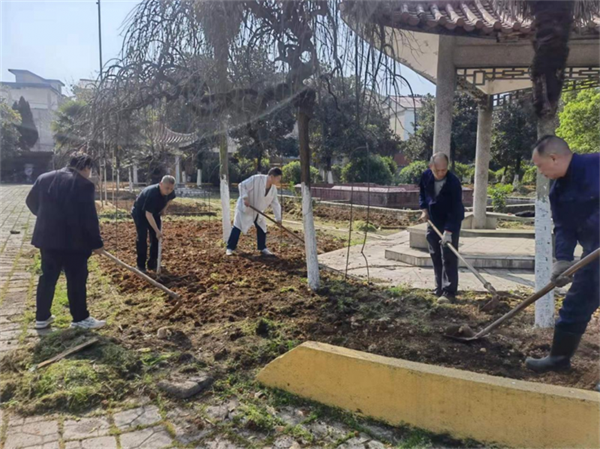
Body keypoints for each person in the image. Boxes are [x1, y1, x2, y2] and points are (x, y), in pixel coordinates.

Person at [525, 136, 600, 392]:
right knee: (576, 304)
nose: (539, 171)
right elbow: (564, 227)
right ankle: (559, 358)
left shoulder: (596, 164)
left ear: (554, 158)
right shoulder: (558, 190)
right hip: (594, 254)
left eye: (539, 165)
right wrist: (563, 260)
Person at [26, 152, 106, 330]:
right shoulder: (84, 184)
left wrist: (45, 218)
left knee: (47, 277)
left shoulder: (45, 178)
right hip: (74, 242)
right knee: (76, 278)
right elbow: (89, 218)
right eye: (89, 170)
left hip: (47, 238)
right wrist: (97, 243)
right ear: (85, 167)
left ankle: (42, 317)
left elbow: (30, 201)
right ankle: (79, 318)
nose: (89, 174)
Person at [419, 153, 465, 304]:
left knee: (449, 257)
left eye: (443, 170)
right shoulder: (426, 176)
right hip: (433, 220)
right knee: (435, 255)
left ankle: (449, 291)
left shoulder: (453, 182)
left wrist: (449, 231)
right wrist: (424, 210)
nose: (440, 173)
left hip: (450, 221)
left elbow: (456, 209)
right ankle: (439, 287)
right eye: (437, 170)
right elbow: (423, 194)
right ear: (430, 167)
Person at [226, 168, 283, 256]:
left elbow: (275, 204)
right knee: (237, 227)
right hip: (246, 208)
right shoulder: (256, 179)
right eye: (278, 178)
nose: (279, 181)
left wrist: (278, 219)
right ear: (272, 177)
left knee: (262, 228)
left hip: (258, 211)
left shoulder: (273, 189)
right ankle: (230, 248)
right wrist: (245, 198)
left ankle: (262, 248)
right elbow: (242, 185)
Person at [131, 175, 176, 272]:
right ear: (160, 184)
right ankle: (141, 265)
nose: (168, 191)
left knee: (156, 238)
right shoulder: (152, 194)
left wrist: (164, 209)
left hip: (154, 212)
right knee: (142, 237)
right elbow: (148, 214)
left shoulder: (170, 192)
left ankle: (152, 263)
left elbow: (171, 198)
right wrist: (157, 230)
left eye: (171, 189)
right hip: (140, 213)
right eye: (166, 188)